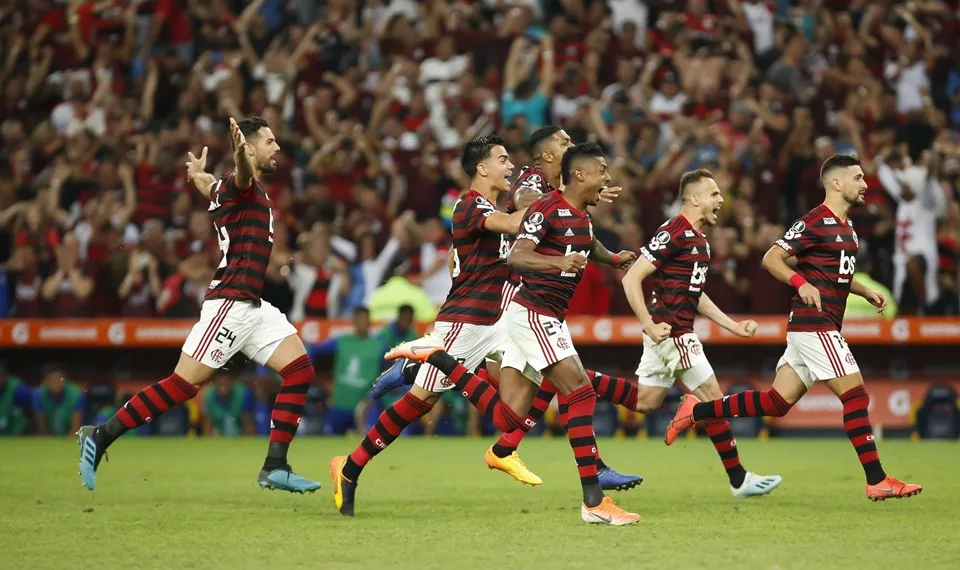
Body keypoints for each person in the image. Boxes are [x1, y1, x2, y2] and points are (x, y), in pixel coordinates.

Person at [371, 126, 643, 491]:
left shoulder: (559, 193)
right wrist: (571, 197)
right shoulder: (531, 184)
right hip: (514, 295)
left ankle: (508, 445)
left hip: (524, 296)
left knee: (531, 388)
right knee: (546, 382)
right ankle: (576, 465)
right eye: (564, 143)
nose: (571, 146)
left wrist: (603, 245)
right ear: (548, 156)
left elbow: (576, 231)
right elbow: (527, 211)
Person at [77, 117, 320, 493]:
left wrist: (197, 175)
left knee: (300, 370)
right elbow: (240, 175)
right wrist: (239, 156)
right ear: (249, 149)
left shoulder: (225, 188)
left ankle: (275, 466)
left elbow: (213, 186)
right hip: (229, 303)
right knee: (182, 386)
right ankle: (101, 435)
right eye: (269, 142)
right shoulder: (243, 184)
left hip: (253, 306)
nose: (278, 148)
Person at [665, 154, 923, 501]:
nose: (865, 185)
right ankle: (877, 480)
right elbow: (772, 257)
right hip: (814, 325)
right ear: (836, 182)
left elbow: (837, 275)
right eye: (858, 178)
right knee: (856, 395)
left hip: (816, 326)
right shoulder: (815, 221)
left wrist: (866, 290)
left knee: (777, 402)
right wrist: (800, 282)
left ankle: (695, 410)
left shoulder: (847, 228)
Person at [329, 135, 537, 517]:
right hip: (465, 323)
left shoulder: (488, 204)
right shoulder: (469, 205)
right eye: (503, 160)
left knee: (536, 382)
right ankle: (353, 462)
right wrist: (547, 206)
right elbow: (512, 223)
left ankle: (415, 367)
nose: (510, 166)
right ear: (481, 167)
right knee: (419, 405)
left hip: (495, 322)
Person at [619, 169, 782, 497]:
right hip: (673, 334)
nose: (721, 200)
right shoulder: (676, 231)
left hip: (666, 334)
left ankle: (579, 382)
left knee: (645, 401)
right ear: (694, 198)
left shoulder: (699, 241)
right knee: (711, 398)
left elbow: (695, 294)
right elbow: (631, 277)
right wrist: (648, 324)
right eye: (714, 194)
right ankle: (738, 479)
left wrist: (732, 325)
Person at [310, 307, 385, 435]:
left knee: (369, 443)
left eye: (365, 320)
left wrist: (373, 394)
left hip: (365, 405)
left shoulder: (378, 346)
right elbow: (312, 350)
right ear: (354, 322)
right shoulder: (342, 341)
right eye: (360, 320)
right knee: (328, 443)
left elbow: (387, 370)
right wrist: (314, 381)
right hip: (339, 404)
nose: (363, 323)